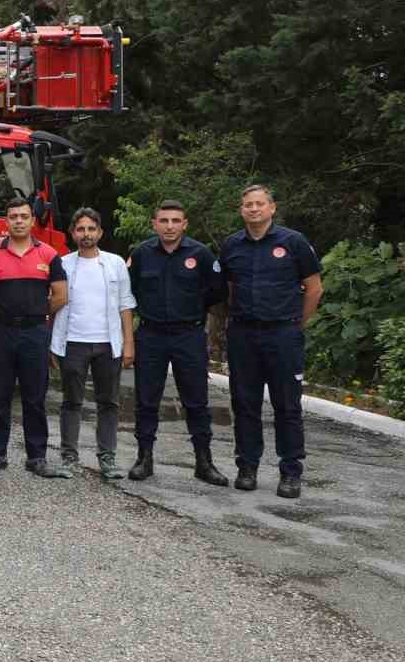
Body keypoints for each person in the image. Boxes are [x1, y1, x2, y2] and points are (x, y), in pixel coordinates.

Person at [220, 184, 323, 499]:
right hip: (244, 334)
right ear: (241, 210)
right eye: (248, 204)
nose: (254, 209)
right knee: (245, 404)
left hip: (282, 334)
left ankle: (290, 472)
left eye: (260, 204)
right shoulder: (231, 245)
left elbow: (314, 288)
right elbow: (225, 290)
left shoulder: (293, 242)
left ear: (272, 208)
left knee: (287, 406)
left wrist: (295, 324)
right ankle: (247, 467)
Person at [127, 199, 228, 485]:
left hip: (189, 335)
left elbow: (216, 291)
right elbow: (129, 292)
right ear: (154, 224)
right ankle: (144, 459)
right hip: (151, 335)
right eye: (164, 221)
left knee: (196, 401)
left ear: (184, 224)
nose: (170, 226)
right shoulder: (142, 254)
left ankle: (204, 462)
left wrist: (192, 311)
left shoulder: (201, 253)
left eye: (175, 221)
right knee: (146, 401)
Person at [0, 196, 68, 477]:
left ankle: (37, 457)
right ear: (6, 221)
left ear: (31, 220)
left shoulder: (49, 255)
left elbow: (61, 296)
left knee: (34, 397)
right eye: (13, 216)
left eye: (23, 216)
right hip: (0, 332)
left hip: (34, 333)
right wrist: (4, 313)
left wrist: (35, 313)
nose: (18, 221)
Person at [49, 207, 136, 481]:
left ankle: (107, 458)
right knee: (71, 402)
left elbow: (125, 305)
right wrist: (52, 343)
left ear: (100, 232)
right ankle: (69, 457)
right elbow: (53, 305)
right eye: (80, 229)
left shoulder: (115, 263)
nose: (86, 234)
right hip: (72, 343)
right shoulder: (62, 263)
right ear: (73, 233)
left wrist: (129, 344)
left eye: (91, 229)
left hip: (108, 344)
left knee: (108, 403)